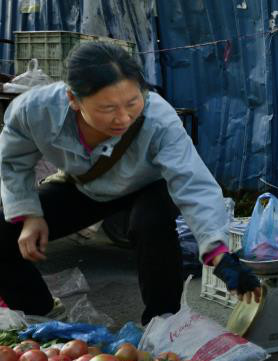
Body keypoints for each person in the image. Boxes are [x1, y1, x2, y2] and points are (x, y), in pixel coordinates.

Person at [0, 42, 260, 325]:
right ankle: (41, 313)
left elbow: (193, 182)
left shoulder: (159, 118)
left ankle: (162, 321)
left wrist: (218, 252)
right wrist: (30, 215)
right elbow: (14, 162)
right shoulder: (34, 110)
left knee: (152, 223)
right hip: (86, 186)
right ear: (73, 99)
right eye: (108, 108)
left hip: (147, 185)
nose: (123, 118)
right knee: (4, 230)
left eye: (132, 102)